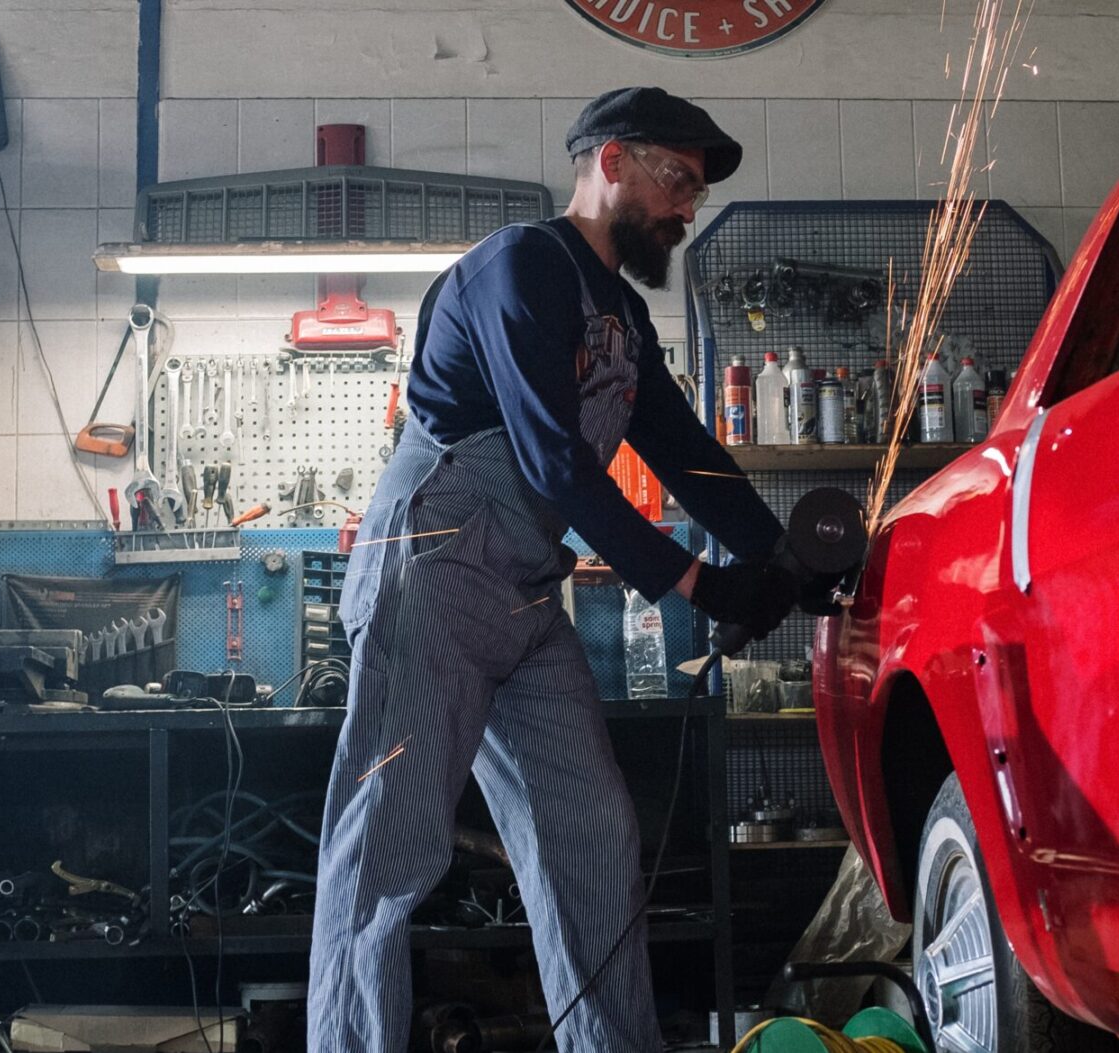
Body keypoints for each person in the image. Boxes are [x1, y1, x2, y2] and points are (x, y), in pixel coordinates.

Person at [308, 86, 805, 1051]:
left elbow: (685, 453)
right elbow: (551, 456)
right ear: (610, 161)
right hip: (436, 569)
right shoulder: (519, 267)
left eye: (697, 190)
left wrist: (784, 554)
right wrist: (697, 582)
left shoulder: (619, 313)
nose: (688, 206)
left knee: (589, 834)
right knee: (386, 853)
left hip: (526, 588)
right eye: (678, 179)